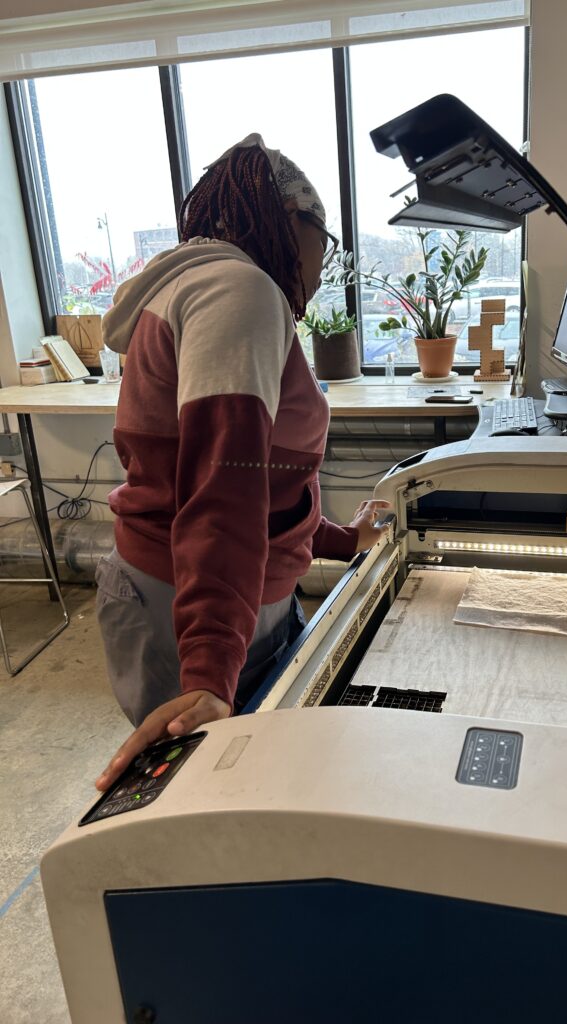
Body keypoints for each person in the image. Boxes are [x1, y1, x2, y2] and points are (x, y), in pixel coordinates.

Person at [95, 134, 389, 793]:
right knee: (211, 801)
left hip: (218, 599)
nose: (319, 269)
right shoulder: (239, 291)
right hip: (193, 605)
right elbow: (222, 494)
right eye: (323, 240)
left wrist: (342, 540)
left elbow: (263, 487)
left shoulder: (219, 288)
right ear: (289, 220)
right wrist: (207, 675)